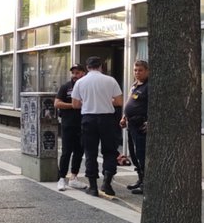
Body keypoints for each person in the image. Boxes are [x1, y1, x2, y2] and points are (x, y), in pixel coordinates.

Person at [71, 56, 123, 197]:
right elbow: (119, 101)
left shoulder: (80, 82)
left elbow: (75, 104)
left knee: (90, 152)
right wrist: (106, 101)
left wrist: (88, 101)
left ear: (87, 67)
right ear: (101, 66)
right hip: (107, 119)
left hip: (88, 118)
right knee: (110, 151)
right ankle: (107, 182)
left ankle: (93, 186)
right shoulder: (110, 80)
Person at [54, 64, 87, 191]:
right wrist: (73, 105)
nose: (74, 76)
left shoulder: (87, 86)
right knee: (66, 151)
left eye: (77, 73)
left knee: (79, 151)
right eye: (73, 73)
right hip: (68, 124)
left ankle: (73, 177)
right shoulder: (66, 87)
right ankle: (61, 178)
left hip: (83, 124)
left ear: (83, 73)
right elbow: (57, 103)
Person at [121, 60, 149, 195]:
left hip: (141, 126)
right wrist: (124, 117)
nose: (137, 73)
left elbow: (155, 107)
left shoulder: (149, 86)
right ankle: (140, 179)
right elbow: (129, 101)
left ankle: (146, 184)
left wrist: (151, 123)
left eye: (140, 70)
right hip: (130, 124)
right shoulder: (135, 85)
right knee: (133, 154)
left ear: (147, 71)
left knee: (142, 155)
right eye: (135, 70)